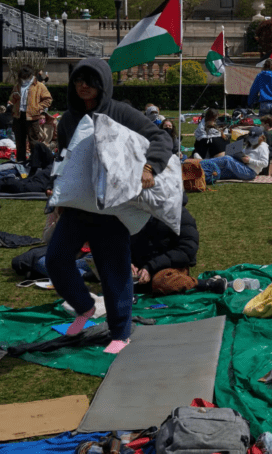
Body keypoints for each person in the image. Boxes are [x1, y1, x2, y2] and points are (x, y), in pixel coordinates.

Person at [46, 58, 174, 355]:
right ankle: (85, 307)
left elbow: (160, 137)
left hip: (112, 209)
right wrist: (56, 196)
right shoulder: (69, 118)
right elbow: (63, 158)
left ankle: (120, 331)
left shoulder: (120, 113)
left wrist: (150, 168)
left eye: (90, 81)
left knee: (113, 269)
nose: (83, 86)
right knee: (56, 258)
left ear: (103, 82)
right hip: (78, 207)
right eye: (78, 81)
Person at [130, 198, 227, 296]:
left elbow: (187, 250)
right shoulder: (132, 211)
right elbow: (122, 241)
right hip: (140, 269)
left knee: (162, 281)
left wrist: (150, 267)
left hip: (169, 268)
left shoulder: (178, 213)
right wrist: (127, 262)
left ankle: (206, 284)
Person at [9, 64, 52, 164]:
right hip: (18, 116)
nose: (23, 79)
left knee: (33, 141)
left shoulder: (39, 86)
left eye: (25, 77)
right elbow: (11, 99)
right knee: (20, 141)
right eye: (21, 77)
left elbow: (48, 99)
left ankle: (35, 162)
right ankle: (20, 161)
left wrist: (38, 108)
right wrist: (14, 97)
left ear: (30, 75)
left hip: (32, 117)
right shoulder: (17, 85)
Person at [202, 126, 269, 181]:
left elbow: (265, 163)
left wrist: (250, 160)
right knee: (218, 172)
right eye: (251, 138)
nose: (252, 140)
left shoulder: (263, 147)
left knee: (227, 159)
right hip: (243, 166)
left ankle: (201, 163)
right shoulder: (249, 144)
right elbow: (243, 154)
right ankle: (199, 174)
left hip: (250, 172)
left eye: (254, 138)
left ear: (261, 137)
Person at [248, 61, 272, 126]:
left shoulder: (260, 76)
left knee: (263, 124)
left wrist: (251, 102)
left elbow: (253, 90)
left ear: (264, 66)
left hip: (264, 103)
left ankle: (264, 135)